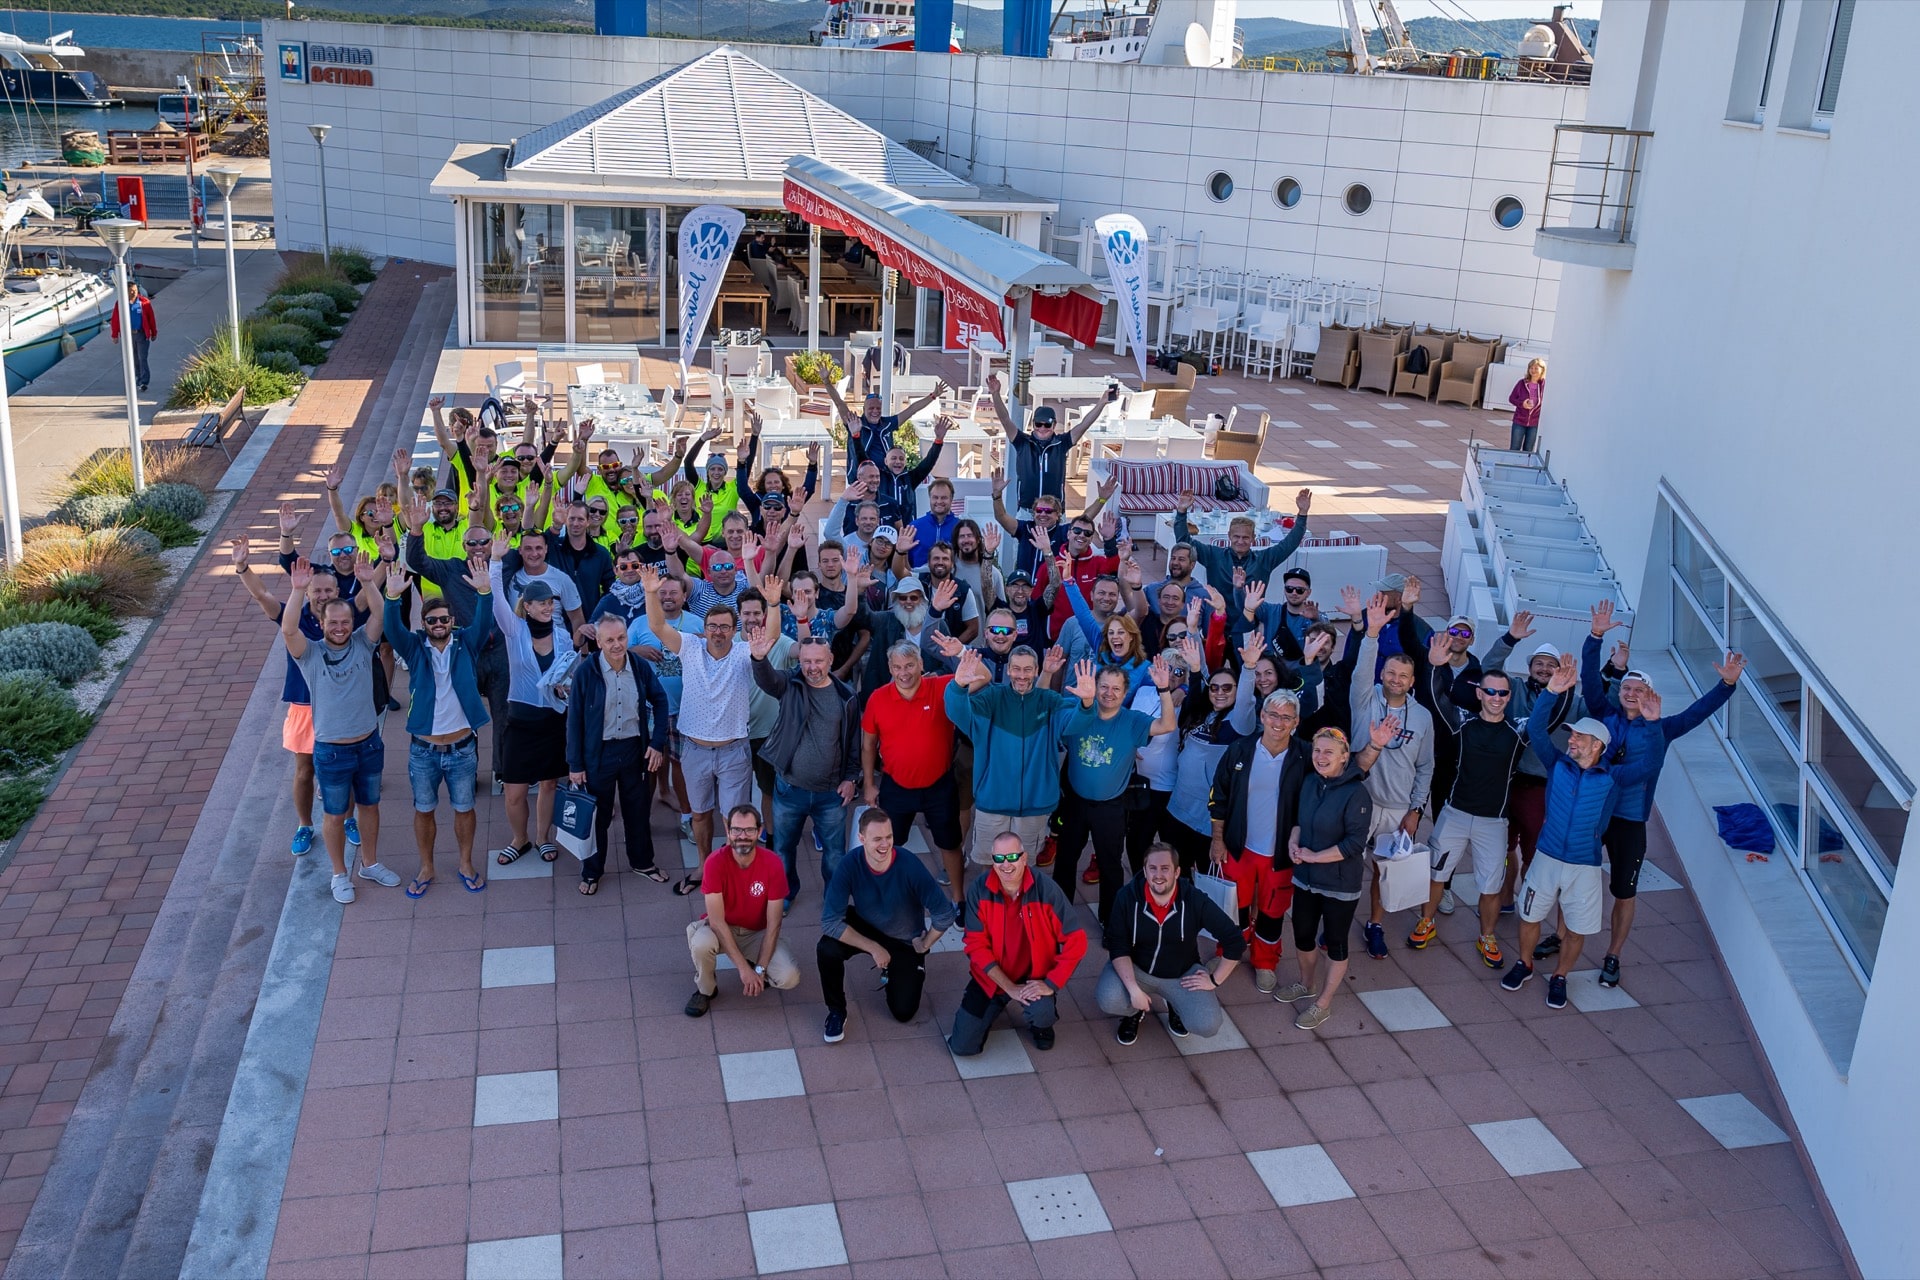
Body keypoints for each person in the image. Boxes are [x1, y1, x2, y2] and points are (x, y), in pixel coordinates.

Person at [1575, 601, 1744, 989]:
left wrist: (1726, 685)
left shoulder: (1662, 728)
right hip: (1594, 813)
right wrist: (1595, 636)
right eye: (1627, 687)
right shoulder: (1604, 714)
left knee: (1624, 892)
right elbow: (1589, 679)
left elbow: (1699, 712)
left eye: (1640, 690)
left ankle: (1613, 954)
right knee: (1575, 879)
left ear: (1650, 695)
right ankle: (1564, 936)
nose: (1631, 693)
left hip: (1630, 821)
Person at [1504, 656, 1662, 1009]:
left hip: (1584, 866)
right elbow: (1536, 731)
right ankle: (1524, 964)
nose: (1571, 740)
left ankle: (1560, 976)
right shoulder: (1557, 764)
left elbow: (1652, 763)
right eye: (1572, 734)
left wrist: (1653, 724)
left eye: (1579, 737)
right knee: (1529, 917)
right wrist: (1551, 692)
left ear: (1598, 746)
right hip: (1546, 858)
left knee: (1576, 929)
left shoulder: (1614, 778)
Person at [280, 558, 404, 904]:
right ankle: (338, 874)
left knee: (370, 807)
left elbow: (380, 615)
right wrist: (297, 590)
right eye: (333, 622)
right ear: (321, 624)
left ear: (352, 623)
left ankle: (370, 864)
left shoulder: (363, 643)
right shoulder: (310, 654)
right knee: (334, 815)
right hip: (332, 750)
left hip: (369, 744)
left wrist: (368, 583)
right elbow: (288, 630)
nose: (339, 628)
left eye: (345, 622)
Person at [1407, 646, 1534, 970]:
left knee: (1491, 887)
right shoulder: (1462, 721)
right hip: (1455, 815)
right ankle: (1427, 921)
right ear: (1479, 693)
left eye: (1502, 693)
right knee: (1436, 874)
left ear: (1508, 697)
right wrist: (1433, 667)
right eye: (1490, 691)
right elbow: (1436, 698)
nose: (1496, 698)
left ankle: (1487, 936)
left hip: (1494, 822)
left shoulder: (1519, 730)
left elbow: (1550, 715)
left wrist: (1561, 691)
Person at [381, 557, 494, 897]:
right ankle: (426, 866)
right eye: (432, 620)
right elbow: (392, 630)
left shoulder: (467, 643)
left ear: (452, 621)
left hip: (462, 748)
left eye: (444, 619)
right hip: (423, 751)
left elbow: (484, 620)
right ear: (424, 623)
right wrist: (392, 597)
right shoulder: (415, 647)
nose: (439, 624)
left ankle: (465, 863)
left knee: (465, 809)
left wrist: (484, 591)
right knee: (423, 810)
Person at [642, 564, 755, 882]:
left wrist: (772, 604)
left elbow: (771, 637)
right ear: (703, 629)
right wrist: (651, 591)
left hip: (734, 751)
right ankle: (705, 866)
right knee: (700, 814)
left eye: (725, 627)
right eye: (713, 626)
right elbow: (657, 625)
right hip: (694, 750)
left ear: (734, 630)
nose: (718, 631)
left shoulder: (744, 653)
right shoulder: (689, 647)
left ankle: (731, 872)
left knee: (734, 819)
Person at [1055, 658, 1180, 925]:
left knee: (1110, 865)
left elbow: (1167, 725)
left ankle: (1109, 921)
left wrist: (1164, 690)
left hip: (1111, 807)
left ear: (1125, 694)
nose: (1109, 693)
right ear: (1094, 687)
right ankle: (1059, 917)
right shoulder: (1078, 713)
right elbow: (1057, 725)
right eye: (1103, 687)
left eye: (1115, 689)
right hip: (1076, 803)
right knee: (1065, 859)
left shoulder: (1132, 721)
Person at [817, 809, 957, 1042]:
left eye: (889, 837)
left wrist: (924, 945)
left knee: (904, 1012)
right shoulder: (849, 864)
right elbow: (830, 922)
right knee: (826, 949)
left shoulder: (909, 865)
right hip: (866, 925)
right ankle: (836, 1011)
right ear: (861, 838)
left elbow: (944, 914)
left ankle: (904, 968)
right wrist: (874, 948)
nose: (885, 845)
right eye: (877, 839)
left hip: (904, 939)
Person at [1207, 689, 1312, 990]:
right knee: (1233, 907)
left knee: (1271, 911)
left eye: (1286, 717)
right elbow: (1218, 797)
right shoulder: (1240, 750)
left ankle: (1265, 962)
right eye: (1273, 715)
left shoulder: (1306, 755)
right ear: (1262, 716)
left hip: (1281, 853)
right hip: (1238, 847)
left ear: (1296, 722)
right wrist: (1218, 840)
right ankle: (1228, 953)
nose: (1279, 723)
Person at [1350, 596, 1436, 959]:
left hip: (1398, 806)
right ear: (1381, 674)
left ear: (1412, 681)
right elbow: (1362, 666)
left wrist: (1415, 810)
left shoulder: (1423, 718)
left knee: (1384, 871)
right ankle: (1336, 923)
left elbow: (1426, 767)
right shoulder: (1365, 699)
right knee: (1346, 866)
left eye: (1403, 675)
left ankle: (1375, 924)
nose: (1395, 679)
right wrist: (1371, 632)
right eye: (1390, 673)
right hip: (1359, 799)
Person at [948, 832, 1087, 1055]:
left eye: (1012, 857)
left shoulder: (1047, 891)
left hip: (1034, 978)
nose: (1006, 865)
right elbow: (975, 945)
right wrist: (1009, 988)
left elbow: (1076, 940)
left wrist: (1051, 983)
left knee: (1042, 1013)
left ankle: (1042, 1025)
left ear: (1024, 858)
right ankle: (996, 1004)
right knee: (961, 1046)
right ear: (992, 860)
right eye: (999, 858)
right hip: (992, 977)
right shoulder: (978, 890)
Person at [565, 613, 671, 894]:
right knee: (597, 816)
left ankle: (642, 863)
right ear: (599, 642)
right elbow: (574, 721)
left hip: (633, 749)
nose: (616, 645)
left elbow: (660, 701)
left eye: (621, 638)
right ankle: (592, 872)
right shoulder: (586, 672)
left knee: (637, 811)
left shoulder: (638, 666)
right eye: (609, 640)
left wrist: (657, 742)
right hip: (598, 754)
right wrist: (575, 764)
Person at [1097, 843, 1245, 1044]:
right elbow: (1117, 946)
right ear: (1145, 871)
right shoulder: (1126, 897)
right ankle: (1134, 1011)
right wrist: (1133, 990)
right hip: (1137, 970)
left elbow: (1235, 940)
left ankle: (1176, 1005)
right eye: (1152, 868)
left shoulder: (1194, 900)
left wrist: (1214, 980)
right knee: (1108, 997)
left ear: (1177, 872)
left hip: (1181, 975)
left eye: (1165, 868)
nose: (1158, 875)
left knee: (1208, 1024)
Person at [752, 628, 859, 905]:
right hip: (790, 789)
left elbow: (853, 743)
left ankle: (833, 899)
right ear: (799, 661)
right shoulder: (790, 684)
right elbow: (768, 680)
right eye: (807, 661)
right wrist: (759, 659)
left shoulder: (846, 696)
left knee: (835, 854)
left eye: (818, 661)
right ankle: (786, 893)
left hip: (831, 794)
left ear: (830, 660)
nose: (812, 667)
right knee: (783, 849)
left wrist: (851, 778)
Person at [1285, 727, 1378, 1031]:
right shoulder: (1310, 782)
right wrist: (1293, 843)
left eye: (1328, 752)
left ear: (1344, 757)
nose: (1321, 757)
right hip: (1305, 878)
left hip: (1339, 884)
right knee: (1302, 935)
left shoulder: (1357, 794)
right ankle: (1306, 983)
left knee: (1336, 943)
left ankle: (1323, 1003)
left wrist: (1314, 856)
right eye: (1317, 750)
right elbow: (1299, 821)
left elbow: (1354, 844)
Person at [945, 645, 1072, 864]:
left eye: (1027, 669)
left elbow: (1076, 722)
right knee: (988, 863)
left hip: (1035, 805)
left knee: (1024, 865)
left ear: (1036, 670)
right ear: (1008, 670)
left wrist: (1087, 703)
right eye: (1016, 669)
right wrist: (958, 686)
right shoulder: (992, 698)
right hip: (993, 803)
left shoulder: (1049, 701)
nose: (1021, 675)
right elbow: (957, 712)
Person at [488, 544, 573, 867]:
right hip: (521, 721)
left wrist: (565, 687)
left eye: (551, 602)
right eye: (542, 603)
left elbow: (569, 675)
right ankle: (519, 838)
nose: (548, 607)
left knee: (550, 783)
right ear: (528, 605)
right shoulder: (515, 630)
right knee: (515, 791)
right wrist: (496, 561)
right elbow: (497, 598)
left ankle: (542, 837)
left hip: (553, 721)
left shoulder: (563, 636)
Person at [860, 641, 963, 900]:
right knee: (888, 844)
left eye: (909, 665)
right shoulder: (878, 698)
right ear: (890, 668)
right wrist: (869, 784)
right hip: (896, 786)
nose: (903, 673)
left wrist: (961, 653)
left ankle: (958, 898)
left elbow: (982, 677)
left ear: (921, 664)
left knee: (950, 844)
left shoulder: (941, 687)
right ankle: (890, 897)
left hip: (939, 785)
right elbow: (868, 745)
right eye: (897, 667)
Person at [685, 805, 801, 1017]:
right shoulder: (714, 863)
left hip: (756, 933)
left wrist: (760, 969)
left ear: (759, 831)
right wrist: (743, 970)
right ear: (728, 831)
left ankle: (758, 969)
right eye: (737, 830)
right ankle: (706, 990)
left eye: (749, 830)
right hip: (722, 927)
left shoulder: (773, 863)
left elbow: (774, 924)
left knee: (789, 977)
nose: (743, 836)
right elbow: (717, 922)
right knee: (701, 943)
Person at [985, 371, 1116, 513]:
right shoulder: (1022, 442)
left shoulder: (1062, 443)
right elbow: (1005, 419)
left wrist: (1102, 403)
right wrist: (995, 395)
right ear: (1033, 424)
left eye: (1047, 425)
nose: (1042, 428)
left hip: (1054, 511)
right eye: (1038, 424)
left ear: (1054, 425)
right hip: (1027, 510)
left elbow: (1085, 424)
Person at [1171, 487, 1313, 589]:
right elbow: (1185, 542)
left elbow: (1290, 543)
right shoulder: (1213, 555)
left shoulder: (1264, 559)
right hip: (1218, 617)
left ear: (1253, 538)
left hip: (1250, 619)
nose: (1240, 541)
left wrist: (1302, 514)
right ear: (1229, 536)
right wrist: (1181, 511)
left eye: (1245, 537)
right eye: (1236, 537)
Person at [827, 382, 948, 479]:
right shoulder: (855, 424)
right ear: (864, 409)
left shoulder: (888, 424)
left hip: (886, 477)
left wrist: (933, 396)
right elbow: (839, 403)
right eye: (871, 408)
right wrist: (827, 382)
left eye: (878, 408)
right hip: (861, 478)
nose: (875, 411)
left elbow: (912, 409)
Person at [109, 279, 157, 392]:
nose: (134, 292)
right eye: (131, 290)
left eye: (135, 290)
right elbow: (115, 320)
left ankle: (144, 381)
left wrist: (154, 332)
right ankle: (138, 378)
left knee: (142, 358)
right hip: (128, 335)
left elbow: (151, 318)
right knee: (134, 358)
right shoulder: (120, 304)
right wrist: (114, 335)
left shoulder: (144, 302)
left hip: (141, 334)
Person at [1508, 357, 1546, 453]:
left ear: (1542, 370)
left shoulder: (1544, 385)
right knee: (1514, 448)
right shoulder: (1522, 383)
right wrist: (1522, 404)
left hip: (1534, 424)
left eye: (1536, 368)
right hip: (1519, 421)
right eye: (1531, 368)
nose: (1533, 370)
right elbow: (1512, 398)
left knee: (1528, 450)